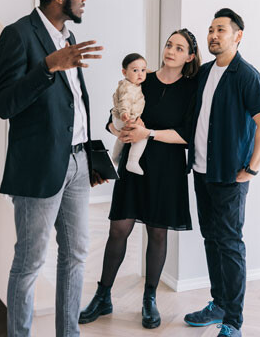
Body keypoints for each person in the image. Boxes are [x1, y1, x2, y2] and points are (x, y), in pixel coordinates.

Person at [0, 0, 106, 337]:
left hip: (76, 163)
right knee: (29, 263)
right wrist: (47, 67)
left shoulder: (69, 38)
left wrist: (90, 157)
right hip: (39, 169)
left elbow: (76, 104)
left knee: (75, 257)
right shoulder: (18, 34)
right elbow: (4, 104)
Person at [79, 29, 202, 329]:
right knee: (119, 229)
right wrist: (118, 129)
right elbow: (113, 118)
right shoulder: (141, 77)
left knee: (158, 233)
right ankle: (103, 294)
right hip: (134, 166)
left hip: (167, 168)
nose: (170, 50)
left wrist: (149, 133)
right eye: (169, 44)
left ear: (189, 57)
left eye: (179, 47)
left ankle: (150, 298)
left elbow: (187, 136)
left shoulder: (191, 89)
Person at [183, 9, 260, 337]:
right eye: (210, 29)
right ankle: (218, 303)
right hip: (201, 171)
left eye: (221, 29)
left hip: (229, 176)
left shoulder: (246, 75)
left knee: (230, 244)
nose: (213, 35)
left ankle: (233, 321)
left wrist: (252, 169)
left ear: (237, 36)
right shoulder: (206, 72)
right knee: (212, 240)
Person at [110, 53, 148, 175]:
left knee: (123, 137)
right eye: (135, 70)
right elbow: (124, 100)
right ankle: (133, 161)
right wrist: (124, 113)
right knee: (142, 136)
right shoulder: (128, 87)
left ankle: (115, 157)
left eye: (143, 70)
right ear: (124, 72)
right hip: (124, 117)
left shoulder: (133, 84)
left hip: (119, 117)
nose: (140, 74)